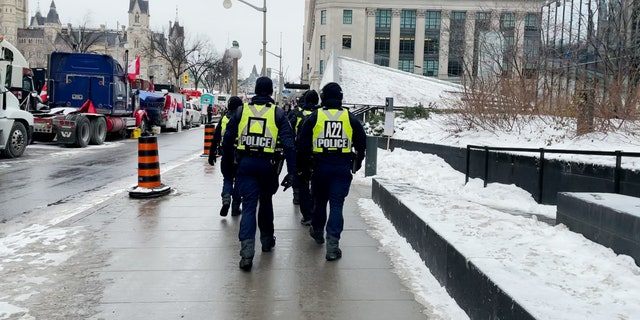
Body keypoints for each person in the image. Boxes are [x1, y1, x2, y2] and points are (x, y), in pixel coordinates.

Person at [221, 76, 297, 271]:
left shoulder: (241, 111)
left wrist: (228, 166)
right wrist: (292, 172)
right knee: (266, 202)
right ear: (271, 92)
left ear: (255, 90)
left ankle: (246, 254)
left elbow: (228, 140)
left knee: (248, 207)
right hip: (267, 166)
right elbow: (289, 145)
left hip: (245, 164)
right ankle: (266, 240)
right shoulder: (278, 114)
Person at [296, 82, 366, 261]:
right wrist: (356, 163)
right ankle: (333, 246)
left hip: (320, 167)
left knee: (320, 202)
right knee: (337, 205)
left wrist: (303, 169)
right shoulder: (350, 118)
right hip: (342, 167)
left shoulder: (315, 117)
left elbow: (303, 145)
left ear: (323, 97)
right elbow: (361, 144)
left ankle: (318, 231)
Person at [288, 90, 319, 225]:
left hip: (299, 152)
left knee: (302, 182)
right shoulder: (321, 114)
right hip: (318, 153)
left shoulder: (297, 114)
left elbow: (289, 132)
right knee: (316, 183)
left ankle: (305, 212)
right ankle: (314, 207)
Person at [208, 96, 243, 217]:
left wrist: (211, 154)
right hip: (239, 154)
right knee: (239, 180)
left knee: (227, 179)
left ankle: (226, 199)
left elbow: (215, 138)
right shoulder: (242, 118)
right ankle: (235, 207)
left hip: (226, 154)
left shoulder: (224, 119)